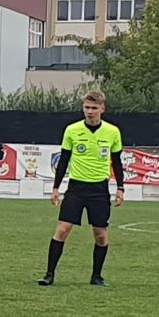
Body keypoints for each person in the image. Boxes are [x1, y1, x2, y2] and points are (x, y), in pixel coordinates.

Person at [38, 91, 124, 287]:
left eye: (94, 108)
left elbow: (117, 162)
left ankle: (96, 276)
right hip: (76, 188)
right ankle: (49, 274)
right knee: (62, 229)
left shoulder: (112, 132)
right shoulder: (72, 130)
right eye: (86, 107)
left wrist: (120, 187)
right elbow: (63, 160)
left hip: (99, 190)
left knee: (100, 234)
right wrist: (55, 187)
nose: (90, 111)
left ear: (102, 108)